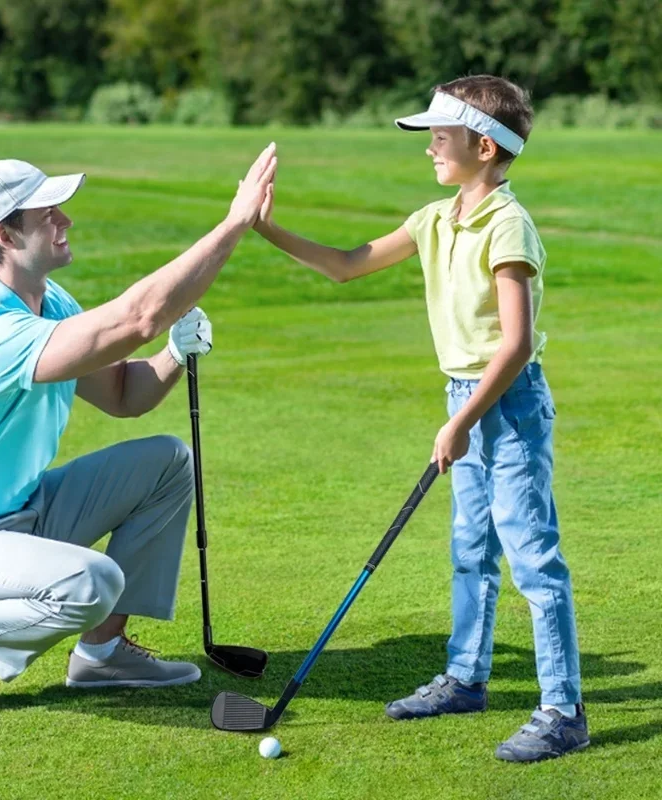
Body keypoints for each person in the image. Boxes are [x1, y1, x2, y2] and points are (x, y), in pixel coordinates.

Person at [252, 76, 587, 762]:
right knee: (471, 548)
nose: (430, 146)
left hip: (508, 403)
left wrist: (462, 419)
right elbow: (348, 266)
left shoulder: (507, 223)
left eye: (441, 134)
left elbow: (517, 342)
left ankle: (564, 708)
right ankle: (466, 678)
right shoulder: (435, 218)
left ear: (485, 147)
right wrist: (261, 226)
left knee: (532, 555)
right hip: (463, 399)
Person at [0, 144, 277, 722]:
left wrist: (174, 354)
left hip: (24, 512)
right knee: (92, 581)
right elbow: (136, 319)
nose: (65, 220)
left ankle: (101, 653)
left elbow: (125, 396)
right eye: (48, 213)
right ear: (4, 235)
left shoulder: (51, 305)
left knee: (168, 462)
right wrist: (233, 224)